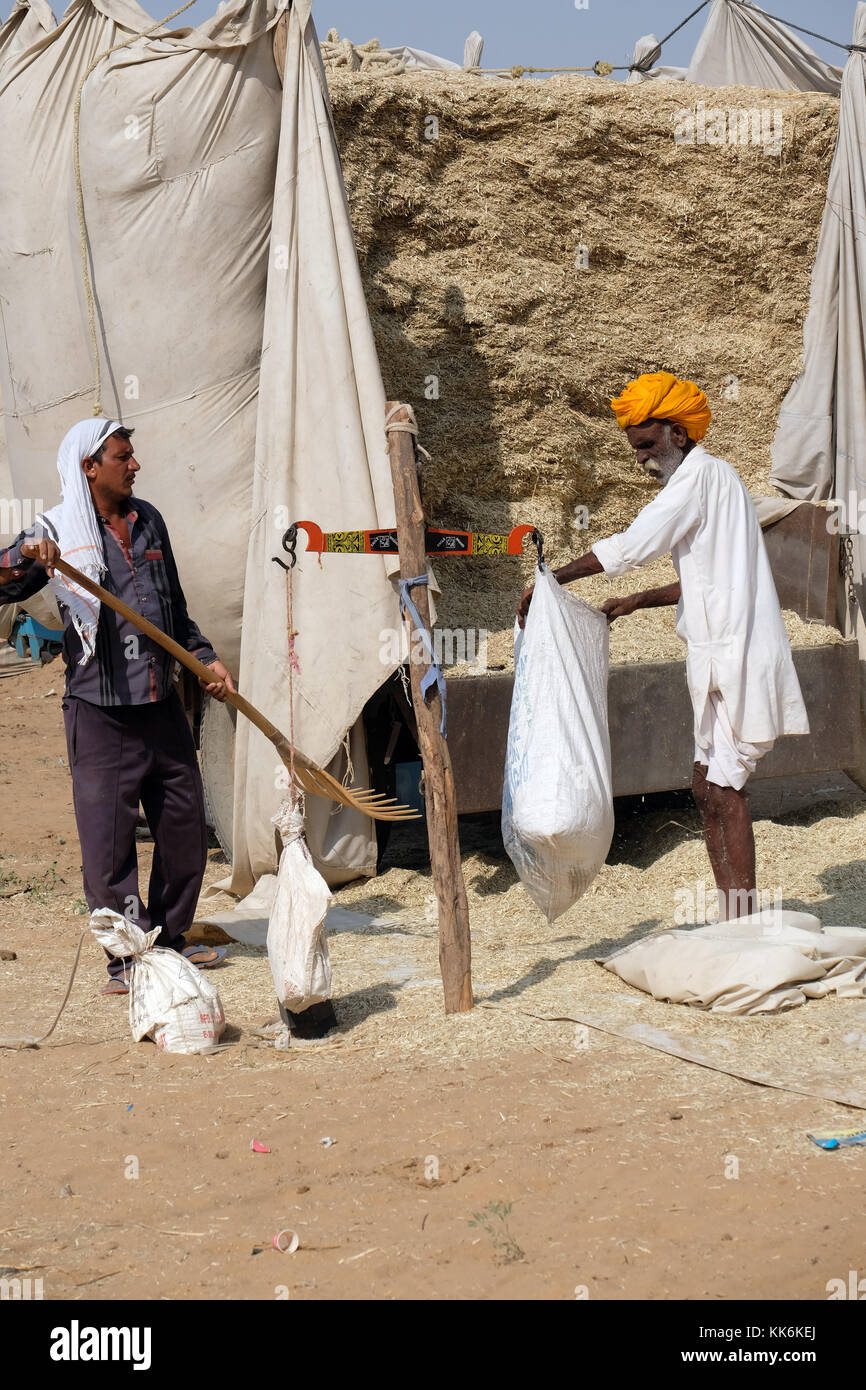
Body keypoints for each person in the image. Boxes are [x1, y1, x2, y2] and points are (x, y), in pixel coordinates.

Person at [517, 371, 809, 921]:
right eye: (636, 450)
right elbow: (702, 578)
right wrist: (635, 601)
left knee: (724, 791)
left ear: (677, 432)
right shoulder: (714, 483)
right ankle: (732, 916)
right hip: (720, 654)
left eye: (648, 445)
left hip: (735, 655)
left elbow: (631, 545)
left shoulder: (697, 480)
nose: (642, 459)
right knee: (704, 787)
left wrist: (552, 580)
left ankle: (740, 921)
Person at [0, 418, 236, 993]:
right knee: (108, 844)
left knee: (182, 829)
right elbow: (5, 580)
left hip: (159, 703)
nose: (135, 465)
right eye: (123, 456)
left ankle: (171, 941)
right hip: (100, 711)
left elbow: (172, 604)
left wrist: (203, 655)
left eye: (131, 455)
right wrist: (27, 552)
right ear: (89, 467)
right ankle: (128, 960)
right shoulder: (57, 531)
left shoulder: (147, 520)